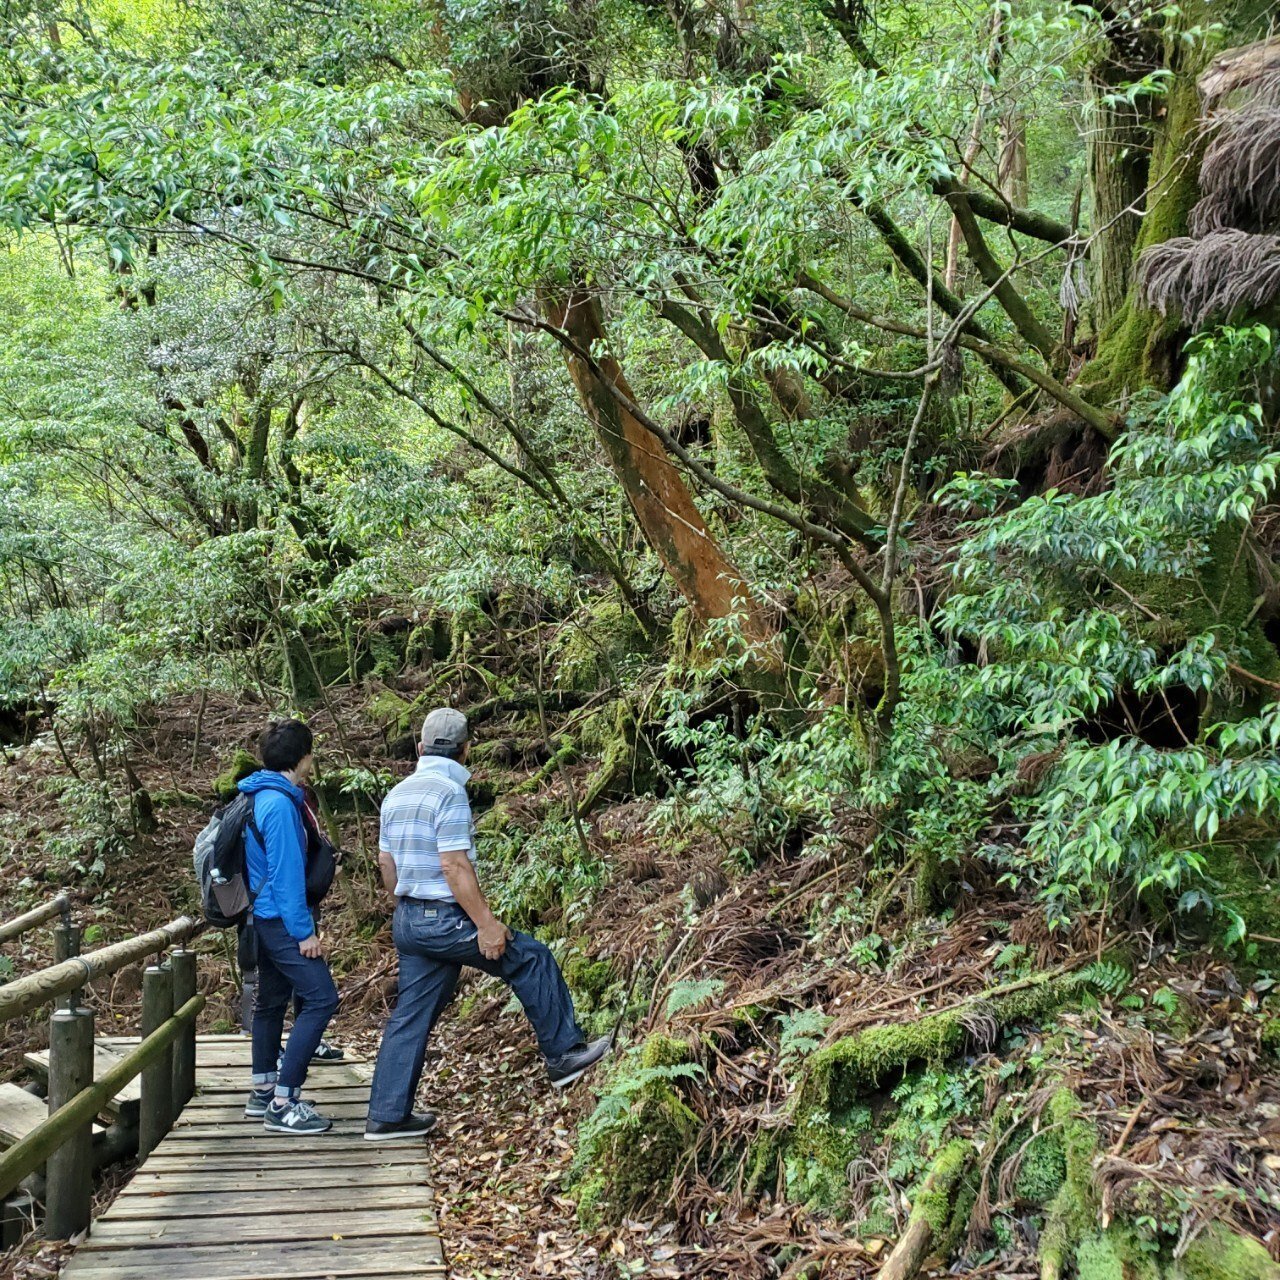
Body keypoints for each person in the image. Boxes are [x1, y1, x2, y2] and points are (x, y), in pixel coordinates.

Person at [365, 707, 610, 1140]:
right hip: (442, 919)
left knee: (411, 1015)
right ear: (465, 749)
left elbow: (386, 862)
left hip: (408, 919)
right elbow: (454, 864)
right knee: (530, 958)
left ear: (420, 748)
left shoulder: (396, 793)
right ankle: (564, 1056)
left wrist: (404, 904)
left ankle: (387, 1114)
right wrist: (487, 925)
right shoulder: (448, 792)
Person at [239, 719, 340, 1135]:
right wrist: (304, 933)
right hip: (279, 919)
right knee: (321, 998)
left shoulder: (260, 794)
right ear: (302, 758)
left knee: (271, 1000)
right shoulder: (278, 804)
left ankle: (263, 1088)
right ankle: (284, 1103)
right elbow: (285, 873)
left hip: (262, 917)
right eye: (311, 753)